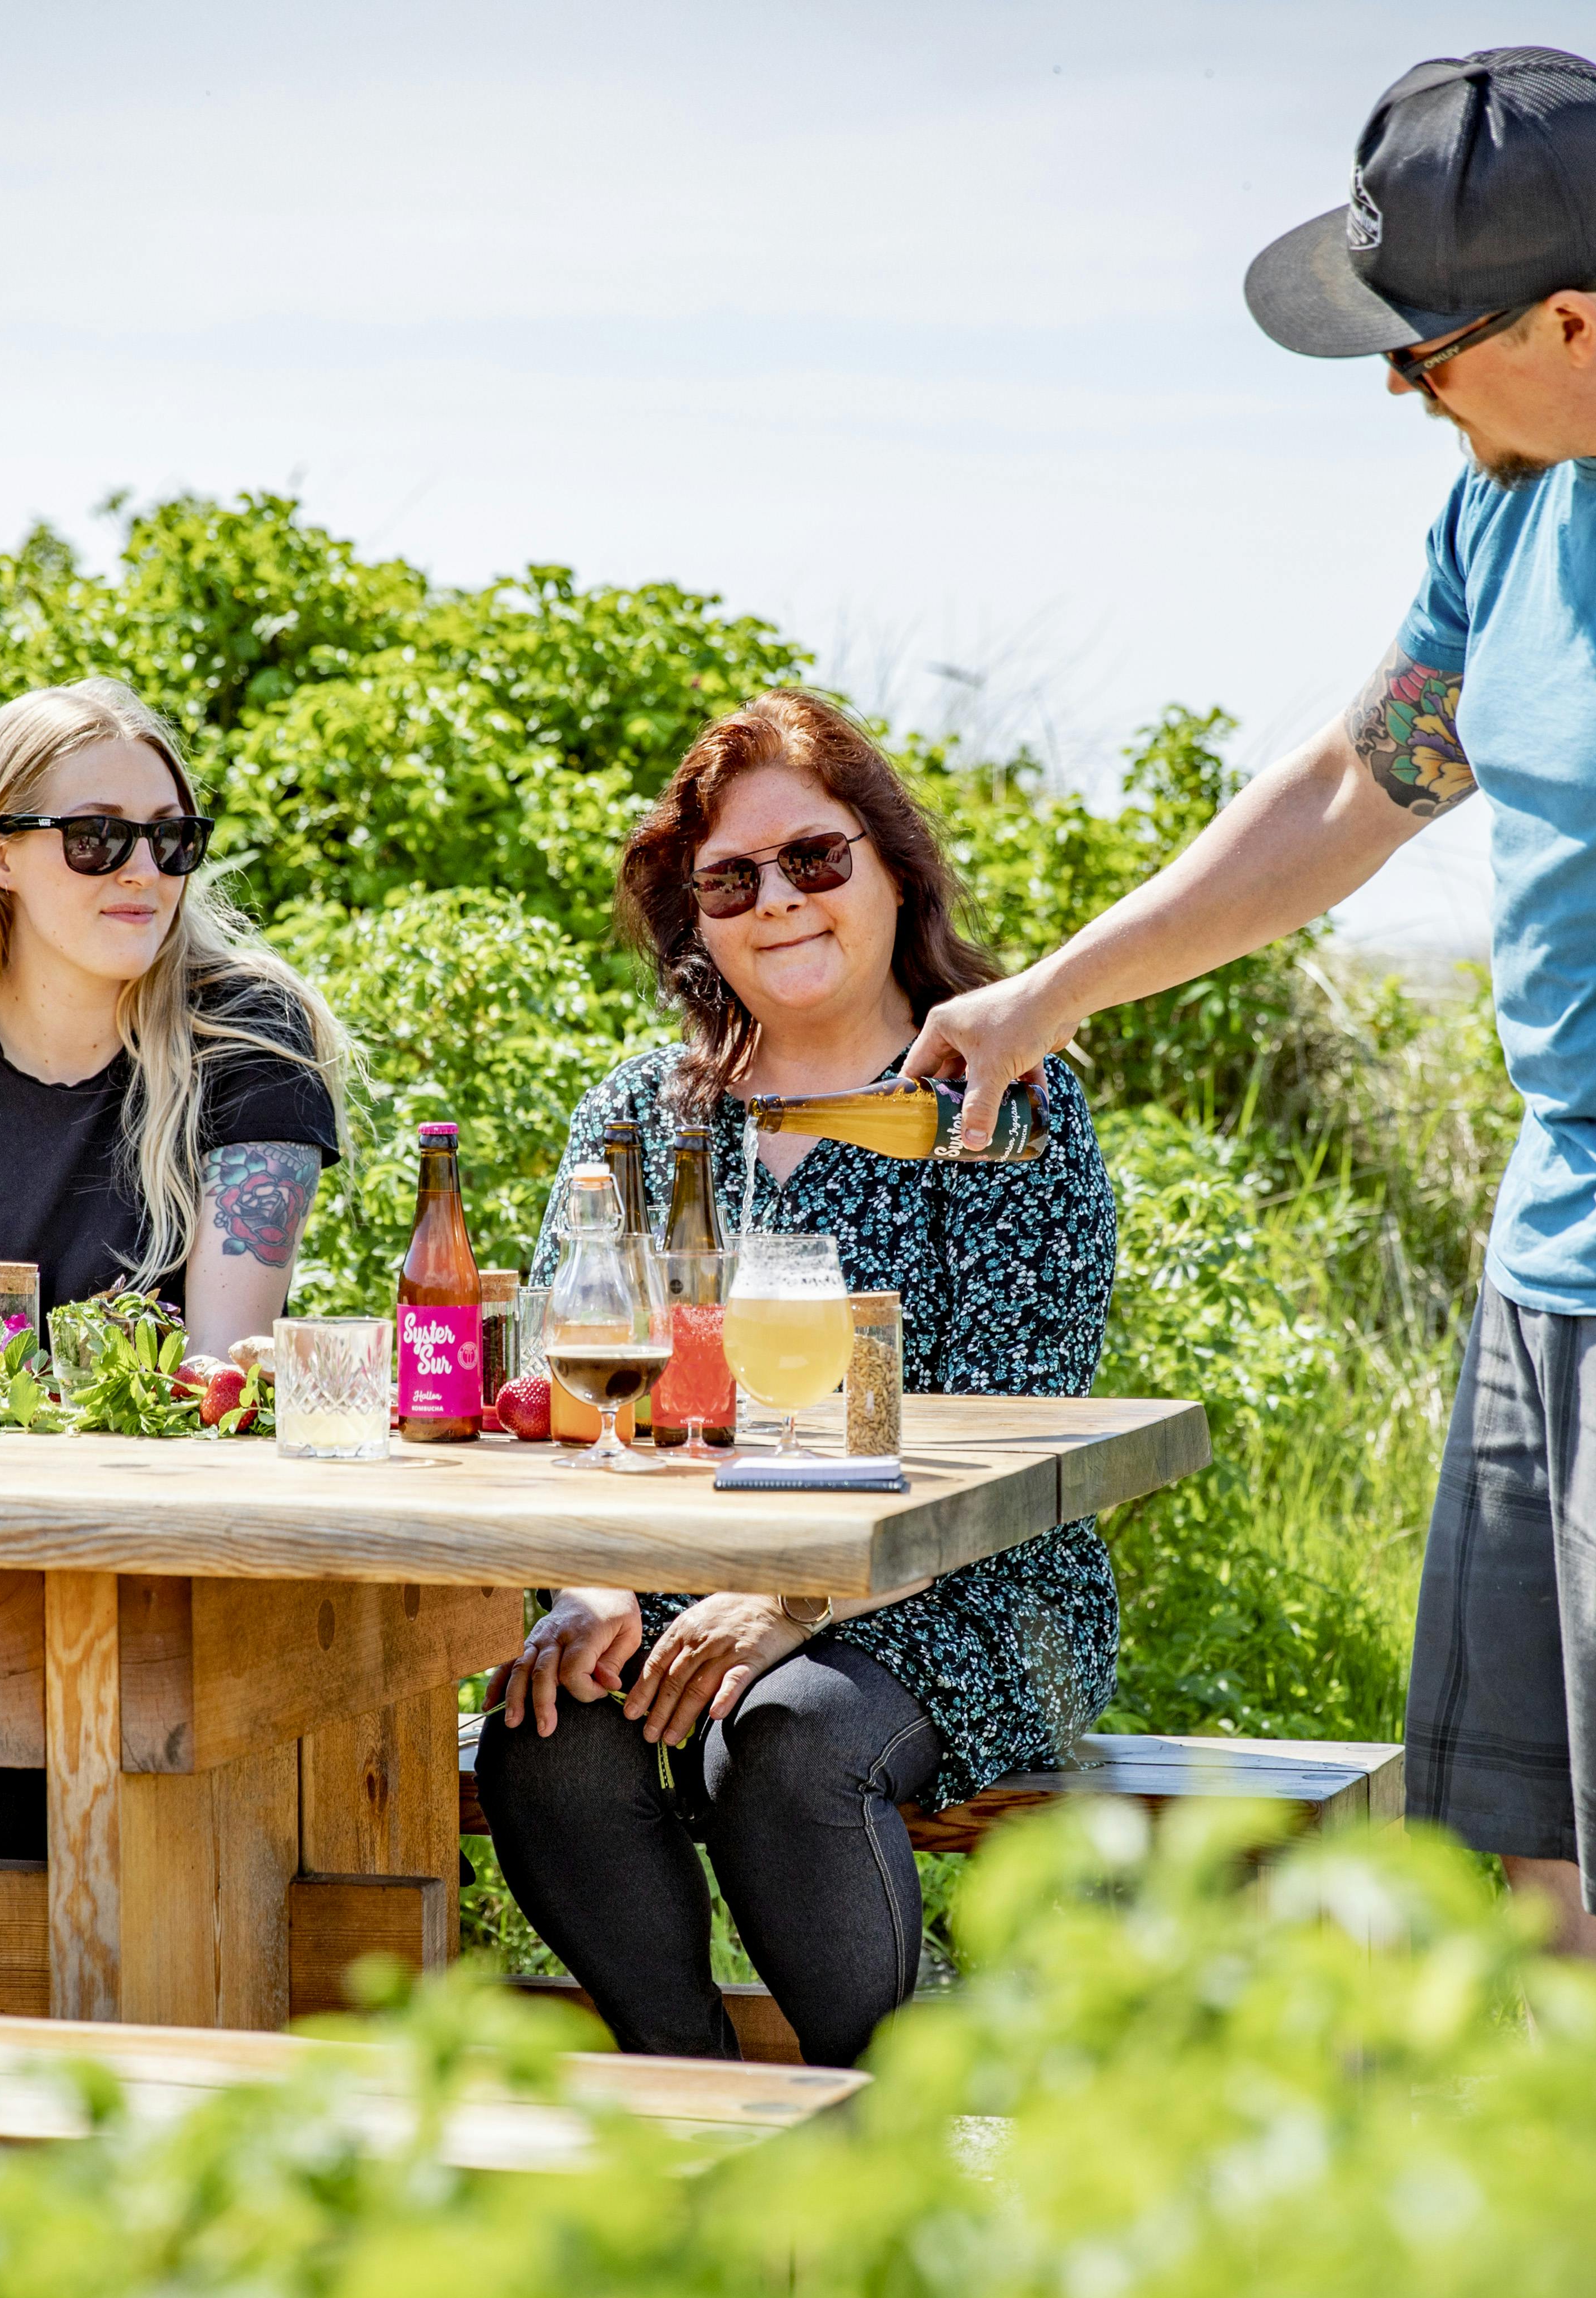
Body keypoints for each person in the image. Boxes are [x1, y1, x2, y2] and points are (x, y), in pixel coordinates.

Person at [909, 49, 1596, 2048]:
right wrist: (1054, 988)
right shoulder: (1514, 489)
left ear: (1573, 320)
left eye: (1415, 355)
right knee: (1541, 1849)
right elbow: (1359, 784)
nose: (1403, 396)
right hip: (1557, 1253)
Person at [477, 688, 1123, 2067]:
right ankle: (701, 2114)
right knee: (545, 1727)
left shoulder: (999, 1095)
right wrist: (588, 1586)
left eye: (816, 859)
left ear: (895, 868)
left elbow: (1014, 1422)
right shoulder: (644, 1111)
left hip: (960, 1578)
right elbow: (569, 1385)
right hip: (673, 1564)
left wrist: (794, 1596)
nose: (779, 900)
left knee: (783, 1740)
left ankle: (887, 2138)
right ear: (695, 916)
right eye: (732, 878)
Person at [0, 676, 346, 1858]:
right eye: (94, 840)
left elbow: (219, 1384)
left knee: (106, 1807)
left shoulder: (248, 1040)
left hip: (171, 1565)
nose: (141, 870)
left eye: (170, 838)